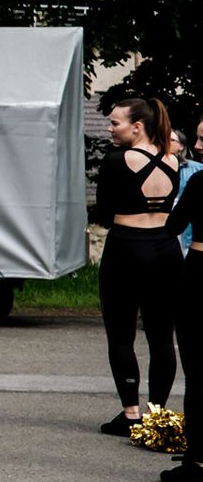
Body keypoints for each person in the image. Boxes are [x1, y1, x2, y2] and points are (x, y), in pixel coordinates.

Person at [94, 97, 181, 436]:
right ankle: (157, 413)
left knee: (121, 333)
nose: (110, 128)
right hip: (166, 249)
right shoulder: (172, 160)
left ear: (137, 126)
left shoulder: (116, 161)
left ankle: (131, 412)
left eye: (115, 123)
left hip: (126, 247)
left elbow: (103, 211)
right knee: (162, 336)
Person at [161, 165, 203, 482]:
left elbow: (173, 224)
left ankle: (197, 460)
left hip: (199, 272)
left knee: (198, 372)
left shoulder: (200, 181)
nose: (198, 145)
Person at [170, 130, 201, 253]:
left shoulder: (197, 170)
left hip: (187, 234)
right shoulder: (151, 168)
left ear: (181, 146)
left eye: (171, 140)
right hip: (164, 229)